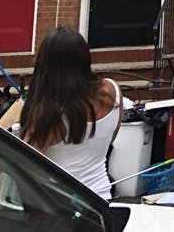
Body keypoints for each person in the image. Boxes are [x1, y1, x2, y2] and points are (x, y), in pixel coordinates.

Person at [20, 26, 123, 201]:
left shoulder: (51, 113)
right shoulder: (111, 91)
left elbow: (23, 163)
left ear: (47, 66)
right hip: (101, 199)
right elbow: (110, 139)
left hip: (63, 209)